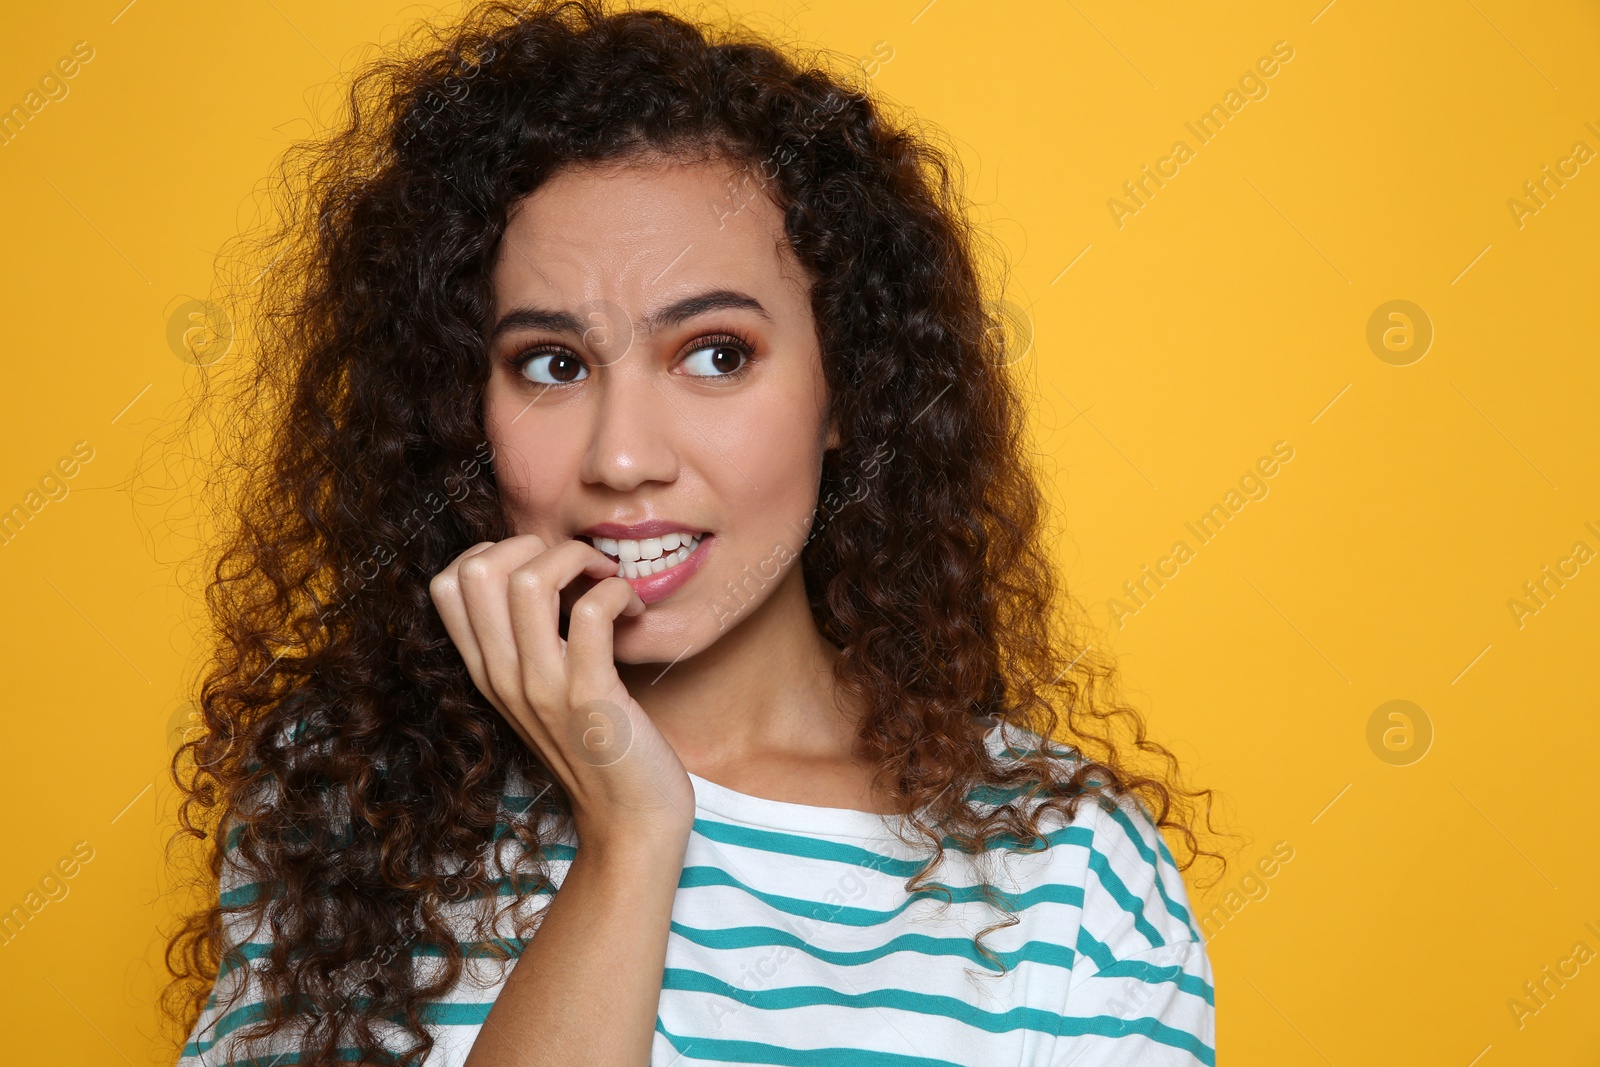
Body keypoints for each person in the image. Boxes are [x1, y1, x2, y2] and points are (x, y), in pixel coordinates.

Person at [160, 2, 1224, 1064]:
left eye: (715, 354)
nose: (623, 458)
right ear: (459, 406)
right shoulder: (348, 809)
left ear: (845, 382)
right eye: (553, 364)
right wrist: (628, 836)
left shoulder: (1065, 880)